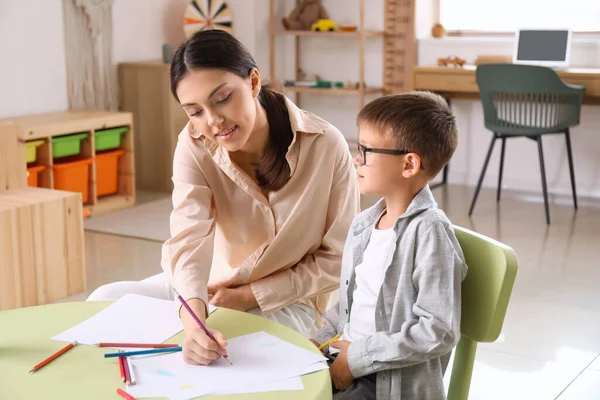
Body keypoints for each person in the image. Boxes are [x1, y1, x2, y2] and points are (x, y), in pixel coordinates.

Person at [86, 29, 360, 366]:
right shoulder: (193, 145)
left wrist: (249, 296)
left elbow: (339, 258)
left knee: (236, 357)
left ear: (254, 82)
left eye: (222, 98)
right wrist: (194, 320)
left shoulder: (326, 145)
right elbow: (188, 242)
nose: (213, 121)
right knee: (105, 300)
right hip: (210, 285)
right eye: (194, 111)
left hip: (288, 300)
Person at [309, 92, 468, 400]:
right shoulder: (364, 225)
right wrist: (317, 340)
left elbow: (439, 330)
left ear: (409, 164)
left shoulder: (430, 234)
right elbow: (350, 309)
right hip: (342, 359)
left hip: (385, 384)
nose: (357, 158)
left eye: (365, 150)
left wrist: (355, 360)